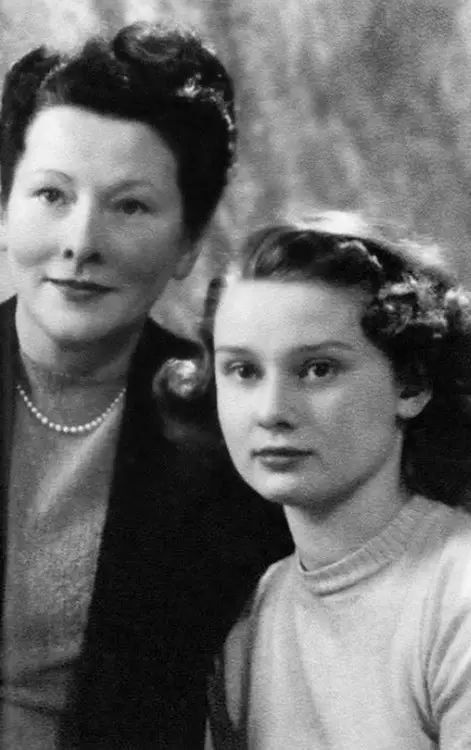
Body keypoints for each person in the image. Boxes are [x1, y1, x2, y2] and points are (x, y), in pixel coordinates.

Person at [0, 22, 291, 748]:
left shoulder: (237, 428)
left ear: (188, 242)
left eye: (130, 206)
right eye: (51, 195)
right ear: (5, 210)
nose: (81, 242)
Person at [202, 212, 471, 748]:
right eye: (244, 371)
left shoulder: (457, 594)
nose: (272, 411)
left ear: (411, 384)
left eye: (318, 369)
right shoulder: (255, 614)